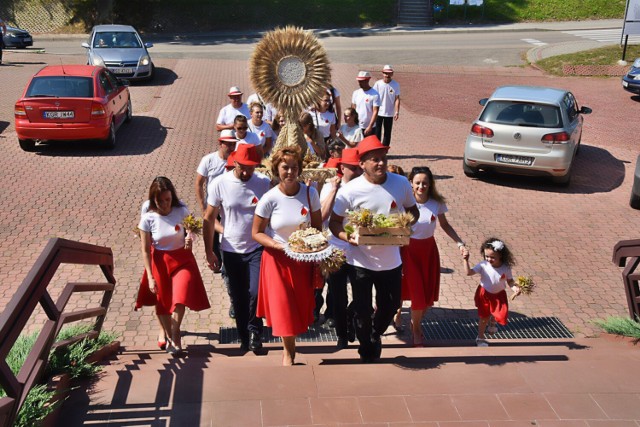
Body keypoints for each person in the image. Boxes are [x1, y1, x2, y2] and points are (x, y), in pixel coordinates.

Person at [330, 135, 419, 363]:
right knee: (363, 312)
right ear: (362, 164)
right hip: (360, 262)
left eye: (383, 158)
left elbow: (413, 212)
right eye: (374, 160)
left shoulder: (401, 183)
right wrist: (347, 236)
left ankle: (374, 334)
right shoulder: (350, 191)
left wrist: (405, 225)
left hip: (391, 261)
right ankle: (367, 350)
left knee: (391, 305)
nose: (380, 163)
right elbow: (334, 223)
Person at [252, 145, 322, 366]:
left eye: (294, 168)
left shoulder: (310, 194)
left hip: (303, 262)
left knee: (299, 308)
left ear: (300, 169)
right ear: (276, 169)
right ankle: (287, 353)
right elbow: (256, 233)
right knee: (284, 309)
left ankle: (291, 348)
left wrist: (316, 250)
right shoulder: (269, 198)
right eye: (285, 168)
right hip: (276, 261)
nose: (290, 172)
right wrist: (278, 246)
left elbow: (318, 229)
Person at [204, 144, 272, 352]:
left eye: (251, 168)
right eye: (243, 167)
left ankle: (255, 331)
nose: (246, 172)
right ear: (235, 162)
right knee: (238, 295)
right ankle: (243, 334)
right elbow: (208, 218)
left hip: (256, 247)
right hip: (231, 248)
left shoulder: (264, 183)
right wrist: (209, 251)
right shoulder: (219, 184)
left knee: (255, 291)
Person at [136, 177, 211, 356]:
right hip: (160, 262)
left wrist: (189, 237)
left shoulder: (181, 211)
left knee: (180, 297)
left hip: (183, 260)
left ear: (172, 197)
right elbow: (146, 251)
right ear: (153, 200)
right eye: (160, 201)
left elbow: (191, 229)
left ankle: (175, 335)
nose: (164, 204)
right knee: (162, 302)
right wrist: (150, 276)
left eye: (167, 200)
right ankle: (169, 336)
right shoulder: (148, 218)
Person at [400, 166, 467, 347]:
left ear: (430, 185)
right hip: (409, 251)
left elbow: (445, 225)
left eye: (425, 183)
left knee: (428, 295)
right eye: (417, 183)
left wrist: (459, 242)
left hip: (428, 250)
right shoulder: (404, 203)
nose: (421, 187)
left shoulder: (436, 203)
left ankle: (415, 321)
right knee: (416, 293)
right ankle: (416, 331)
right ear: (411, 184)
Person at [319, 148, 362, 349]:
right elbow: (322, 217)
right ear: (342, 168)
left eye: (359, 168)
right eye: (353, 168)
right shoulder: (330, 187)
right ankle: (342, 336)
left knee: (361, 293)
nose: (357, 172)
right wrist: (335, 191)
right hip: (336, 248)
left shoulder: (365, 186)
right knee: (338, 295)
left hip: (359, 250)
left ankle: (352, 317)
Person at [462, 238, 520, 347]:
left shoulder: (506, 268)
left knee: (499, 314)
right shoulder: (483, 265)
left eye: (492, 257)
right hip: (484, 294)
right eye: (486, 256)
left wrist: (515, 288)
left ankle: (492, 322)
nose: (489, 259)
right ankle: (480, 337)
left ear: (501, 256)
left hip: (499, 295)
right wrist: (466, 260)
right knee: (484, 317)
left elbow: (510, 281)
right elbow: (469, 273)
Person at [373, 65, 401, 147]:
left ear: (392, 74)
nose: (387, 75)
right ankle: (377, 148)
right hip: (378, 112)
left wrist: (397, 111)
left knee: (387, 132)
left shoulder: (395, 85)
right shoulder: (378, 84)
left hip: (389, 112)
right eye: (385, 73)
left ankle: (384, 150)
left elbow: (397, 99)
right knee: (377, 131)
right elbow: (373, 97)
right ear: (382, 73)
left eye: (389, 73)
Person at [351, 71, 380, 137]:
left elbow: (375, 111)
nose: (359, 83)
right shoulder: (356, 93)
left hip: (369, 128)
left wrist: (370, 126)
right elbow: (353, 108)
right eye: (359, 81)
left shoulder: (374, 94)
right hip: (357, 126)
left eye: (362, 81)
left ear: (367, 80)